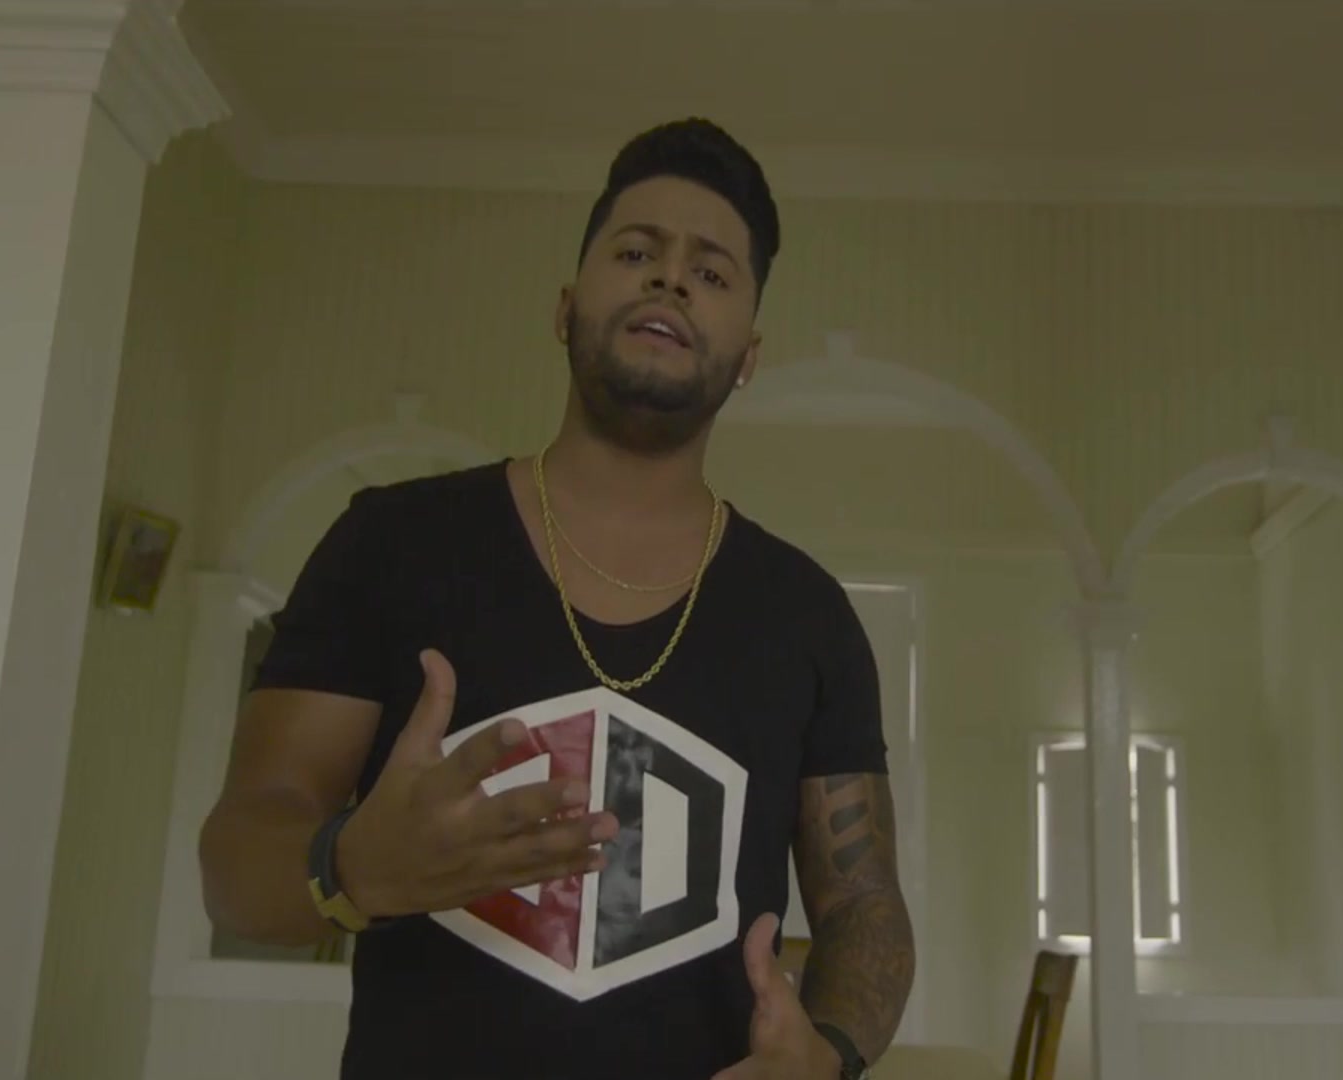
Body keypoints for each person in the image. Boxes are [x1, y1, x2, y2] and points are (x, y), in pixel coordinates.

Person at [198, 117, 915, 1080]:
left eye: (710, 273)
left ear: (748, 355)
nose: (669, 280)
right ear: (567, 308)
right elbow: (238, 865)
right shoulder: (389, 545)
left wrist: (825, 1058)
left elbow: (865, 906)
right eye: (636, 253)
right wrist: (351, 866)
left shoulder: (808, 616)